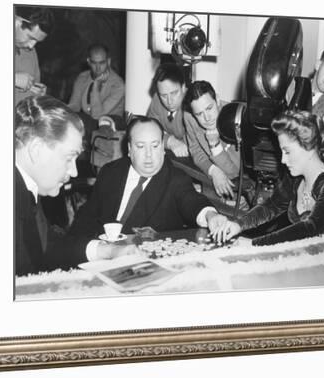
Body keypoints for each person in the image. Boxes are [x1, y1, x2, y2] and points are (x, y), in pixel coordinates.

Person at [70, 116, 238, 248]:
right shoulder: (110, 171)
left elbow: (192, 201)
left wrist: (211, 215)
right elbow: (88, 216)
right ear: (129, 149)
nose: (149, 155)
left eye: (155, 146)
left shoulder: (175, 179)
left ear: (163, 149)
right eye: (141, 146)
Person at [15, 96, 135, 276]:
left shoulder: (26, 186)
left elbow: (47, 245)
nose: (74, 172)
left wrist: (106, 250)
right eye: (69, 158)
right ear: (36, 149)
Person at [210, 110, 324, 246]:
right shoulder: (295, 179)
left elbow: (311, 229)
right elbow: (270, 206)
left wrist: (255, 244)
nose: (283, 160)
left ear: (309, 147)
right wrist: (238, 225)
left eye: (287, 151)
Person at [183, 81, 241, 199]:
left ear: (217, 100)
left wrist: (215, 145)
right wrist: (214, 171)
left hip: (240, 187)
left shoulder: (234, 118)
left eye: (209, 108)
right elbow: (196, 152)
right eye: (199, 114)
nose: (207, 118)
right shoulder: (189, 117)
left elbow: (233, 172)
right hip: (212, 183)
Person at [68, 43, 125, 128]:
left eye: (102, 63)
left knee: (94, 122)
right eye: (94, 63)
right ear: (89, 62)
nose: (98, 68)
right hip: (88, 122)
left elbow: (97, 116)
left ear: (108, 62)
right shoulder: (82, 78)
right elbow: (74, 106)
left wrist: (95, 88)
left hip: (110, 125)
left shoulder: (118, 84)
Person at [146, 63, 189, 157]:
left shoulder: (191, 105)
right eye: (164, 95)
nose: (169, 101)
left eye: (174, 93)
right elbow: (149, 130)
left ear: (183, 87)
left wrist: (163, 138)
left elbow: (192, 144)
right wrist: (170, 141)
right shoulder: (157, 99)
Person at [14, 7, 55, 104]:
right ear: (17, 22)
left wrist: (38, 93)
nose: (31, 45)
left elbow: (34, 84)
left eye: (37, 41)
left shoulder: (31, 52)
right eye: (30, 37)